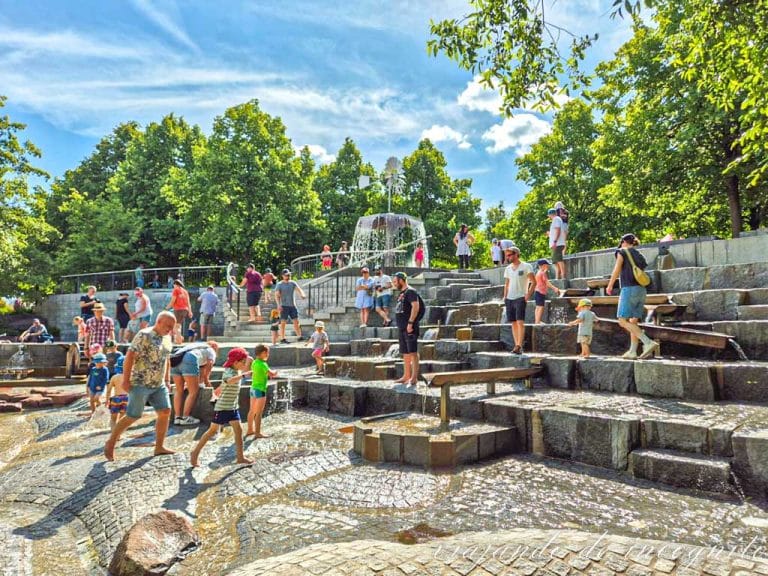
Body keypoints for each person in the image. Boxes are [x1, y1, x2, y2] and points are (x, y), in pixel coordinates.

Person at [103, 311, 177, 461]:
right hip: (140, 382)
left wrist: (168, 380)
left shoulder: (167, 338)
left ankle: (159, 447)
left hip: (158, 383)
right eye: (168, 326)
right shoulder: (144, 335)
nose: (170, 329)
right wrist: (125, 380)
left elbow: (167, 359)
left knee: (165, 411)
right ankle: (111, 442)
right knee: (133, 415)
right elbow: (130, 356)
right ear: (159, 321)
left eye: (172, 327)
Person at [191, 347, 253, 467]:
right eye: (243, 362)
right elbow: (229, 381)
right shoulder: (229, 372)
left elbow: (244, 367)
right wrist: (244, 375)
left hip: (233, 407)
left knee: (239, 431)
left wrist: (248, 360)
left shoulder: (237, 370)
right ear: (236, 362)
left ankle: (240, 457)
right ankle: (195, 453)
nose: (245, 365)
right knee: (212, 431)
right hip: (223, 407)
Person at [606, 233, 659, 360]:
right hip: (641, 289)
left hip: (628, 289)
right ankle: (633, 351)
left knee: (622, 320)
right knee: (633, 322)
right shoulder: (639, 255)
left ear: (624, 241)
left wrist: (610, 285)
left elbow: (617, 269)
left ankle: (647, 342)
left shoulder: (621, 252)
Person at [170, 343, 216, 426]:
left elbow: (201, 368)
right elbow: (210, 363)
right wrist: (206, 379)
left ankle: (177, 418)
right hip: (189, 359)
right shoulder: (211, 350)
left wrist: (200, 380)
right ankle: (185, 418)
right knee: (193, 391)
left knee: (179, 390)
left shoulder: (196, 347)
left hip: (175, 360)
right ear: (215, 347)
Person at [503, 246, 535, 354]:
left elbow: (533, 282)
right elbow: (506, 284)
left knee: (520, 321)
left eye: (509, 255)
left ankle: (519, 346)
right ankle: (516, 345)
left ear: (516, 254)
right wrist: (505, 297)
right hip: (509, 298)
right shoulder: (507, 269)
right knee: (513, 322)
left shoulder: (526, 266)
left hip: (520, 297)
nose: (508, 257)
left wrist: (528, 295)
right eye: (507, 255)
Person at [392, 272, 421, 386]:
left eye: (395, 281)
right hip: (402, 327)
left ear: (401, 280)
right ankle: (406, 376)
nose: (394, 284)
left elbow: (416, 307)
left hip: (410, 326)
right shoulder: (402, 293)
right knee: (405, 352)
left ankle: (414, 378)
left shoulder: (411, 291)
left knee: (413, 351)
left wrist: (410, 323)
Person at [247, 344, 276, 438]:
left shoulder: (255, 362)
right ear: (263, 353)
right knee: (258, 413)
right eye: (267, 353)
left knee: (252, 411)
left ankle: (250, 430)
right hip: (260, 390)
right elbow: (271, 374)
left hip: (253, 389)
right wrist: (275, 372)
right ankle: (257, 433)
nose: (268, 355)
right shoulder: (263, 364)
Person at [274, 269, 306, 343]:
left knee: (296, 321)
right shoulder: (279, 284)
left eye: (289, 275)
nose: (288, 276)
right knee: (283, 323)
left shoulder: (292, 283)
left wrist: (302, 294)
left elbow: (299, 289)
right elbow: (276, 296)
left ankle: (299, 337)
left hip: (292, 306)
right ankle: (282, 338)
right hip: (284, 306)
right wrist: (278, 305)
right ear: (282, 276)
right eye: (286, 275)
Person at [534, 259, 562, 324]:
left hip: (537, 291)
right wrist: (555, 288)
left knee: (538, 306)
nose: (548, 266)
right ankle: (537, 321)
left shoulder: (538, 272)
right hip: (540, 292)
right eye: (547, 265)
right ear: (543, 265)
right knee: (540, 307)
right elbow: (547, 283)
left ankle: (537, 320)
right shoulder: (542, 273)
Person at [166, 279, 192, 344]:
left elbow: (172, 301)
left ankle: (179, 339)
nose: (173, 286)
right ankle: (178, 340)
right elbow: (188, 302)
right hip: (185, 310)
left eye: (173, 285)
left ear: (175, 284)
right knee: (178, 326)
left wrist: (166, 308)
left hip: (178, 310)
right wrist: (190, 311)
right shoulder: (185, 291)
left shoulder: (176, 290)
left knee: (175, 327)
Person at [547, 207, 568, 280]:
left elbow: (558, 230)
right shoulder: (556, 220)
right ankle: (558, 276)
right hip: (556, 244)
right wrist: (550, 234)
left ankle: (563, 277)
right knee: (555, 261)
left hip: (558, 244)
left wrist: (555, 241)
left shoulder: (556, 219)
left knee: (559, 260)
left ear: (550, 215)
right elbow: (556, 231)